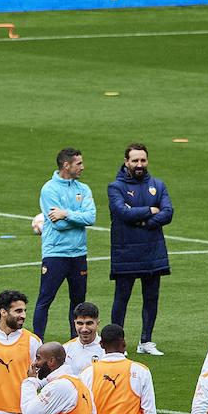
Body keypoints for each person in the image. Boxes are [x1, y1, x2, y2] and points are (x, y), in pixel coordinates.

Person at [107, 143, 173, 356]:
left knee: (151, 298)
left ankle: (146, 341)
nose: (139, 165)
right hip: (126, 251)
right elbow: (121, 213)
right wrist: (151, 211)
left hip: (153, 252)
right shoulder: (115, 187)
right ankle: (116, 344)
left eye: (142, 160)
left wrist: (144, 220)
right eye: (135, 160)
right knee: (121, 299)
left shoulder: (158, 185)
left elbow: (168, 213)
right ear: (126, 161)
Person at [34, 147, 96, 340]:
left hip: (78, 254)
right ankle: (38, 342)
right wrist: (75, 217)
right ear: (66, 165)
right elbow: (58, 224)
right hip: (56, 254)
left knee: (78, 303)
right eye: (79, 163)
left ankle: (76, 343)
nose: (82, 167)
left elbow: (91, 217)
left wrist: (66, 213)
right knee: (45, 300)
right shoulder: (49, 189)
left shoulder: (83, 189)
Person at [62, 302, 104, 375]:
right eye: (80, 323)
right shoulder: (66, 349)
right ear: (74, 323)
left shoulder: (107, 349)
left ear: (97, 324)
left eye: (89, 323)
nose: (84, 329)